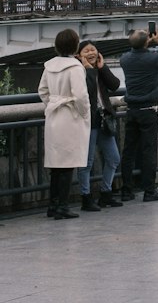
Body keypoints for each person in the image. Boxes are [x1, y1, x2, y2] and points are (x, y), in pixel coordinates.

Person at [119, 28, 158, 202]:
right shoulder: (153, 59)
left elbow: (133, 52)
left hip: (131, 109)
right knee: (148, 151)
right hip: (149, 109)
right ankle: (149, 191)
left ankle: (126, 190)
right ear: (147, 42)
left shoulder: (124, 59)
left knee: (128, 151)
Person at [38, 28, 90, 219]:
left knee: (55, 164)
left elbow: (42, 90)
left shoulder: (49, 65)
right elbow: (81, 96)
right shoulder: (75, 67)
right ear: (75, 45)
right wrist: (83, 113)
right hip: (69, 116)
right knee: (68, 164)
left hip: (53, 116)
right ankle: (63, 206)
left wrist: (52, 103)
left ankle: (53, 205)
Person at [76, 41, 123, 211]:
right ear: (79, 55)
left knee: (114, 158)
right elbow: (88, 91)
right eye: (86, 51)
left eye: (93, 50)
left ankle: (106, 192)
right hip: (88, 122)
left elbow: (115, 85)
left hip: (104, 121)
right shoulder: (78, 72)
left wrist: (103, 68)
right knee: (86, 162)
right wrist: (88, 68)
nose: (91, 53)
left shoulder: (100, 70)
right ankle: (86, 197)